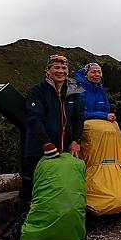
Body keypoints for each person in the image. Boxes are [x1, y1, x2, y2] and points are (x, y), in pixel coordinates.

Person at [22, 54, 85, 209]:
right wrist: (46, 144)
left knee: (60, 186)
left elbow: (79, 117)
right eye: (56, 67)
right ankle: (23, 224)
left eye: (64, 68)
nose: (60, 71)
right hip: (38, 149)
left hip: (64, 149)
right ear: (47, 70)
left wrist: (76, 140)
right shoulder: (38, 91)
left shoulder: (74, 91)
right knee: (32, 187)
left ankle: (58, 224)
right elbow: (34, 119)